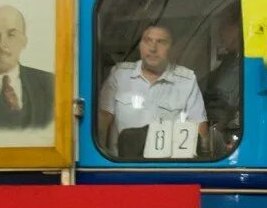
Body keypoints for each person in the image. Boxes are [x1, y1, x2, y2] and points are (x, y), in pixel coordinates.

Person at [97, 24, 208, 157]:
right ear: (140, 45)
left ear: (171, 48)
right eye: (147, 41)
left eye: (161, 42)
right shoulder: (119, 75)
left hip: (168, 167)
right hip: (123, 166)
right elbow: (103, 118)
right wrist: (101, 157)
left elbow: (199, 127)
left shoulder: (186, 81)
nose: (153, 48)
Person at [203, 12, 243, 147]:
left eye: (224, 29)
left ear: (238, 28)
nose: (221, 36)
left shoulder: (246, 63)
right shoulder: (229, 61)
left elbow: (225, 102)